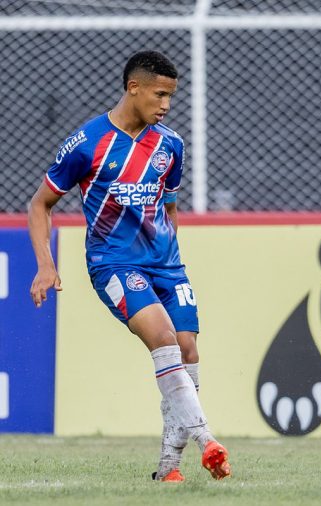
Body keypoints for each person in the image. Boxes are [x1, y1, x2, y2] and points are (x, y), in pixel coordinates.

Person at [28, 50, 230, 482]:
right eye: (160, 94)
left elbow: (169, 207)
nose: (166, 105)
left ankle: (167, 468)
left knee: (189, 350)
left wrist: (173, 258)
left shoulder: (170, 145)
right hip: (114, 263)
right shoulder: (87, 143)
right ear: (133, 88)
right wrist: (46, 265)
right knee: (163, 338)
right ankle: (206, 440)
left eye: (171, 96)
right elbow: (40, 204)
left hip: (167, 266)